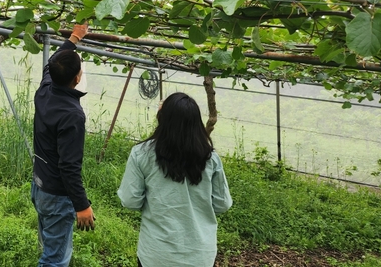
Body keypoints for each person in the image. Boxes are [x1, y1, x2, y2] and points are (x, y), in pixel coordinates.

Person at [117, 92, 232, 267]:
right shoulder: (210, 157)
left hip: (156, 254)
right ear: (196, 122)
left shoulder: (142, 153)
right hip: (200, 255)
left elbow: (130, 200)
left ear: (162, 119)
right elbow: (222, 204)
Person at [31, 23, 95, 267]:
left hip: (40, 186)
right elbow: (68, 166)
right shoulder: (72, 115)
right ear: (77, 78)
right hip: (57, 194)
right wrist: (82, 206)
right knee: (55, 260)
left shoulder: (45, 90)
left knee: (50, 246)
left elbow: (53, 62)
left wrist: (74, 37)